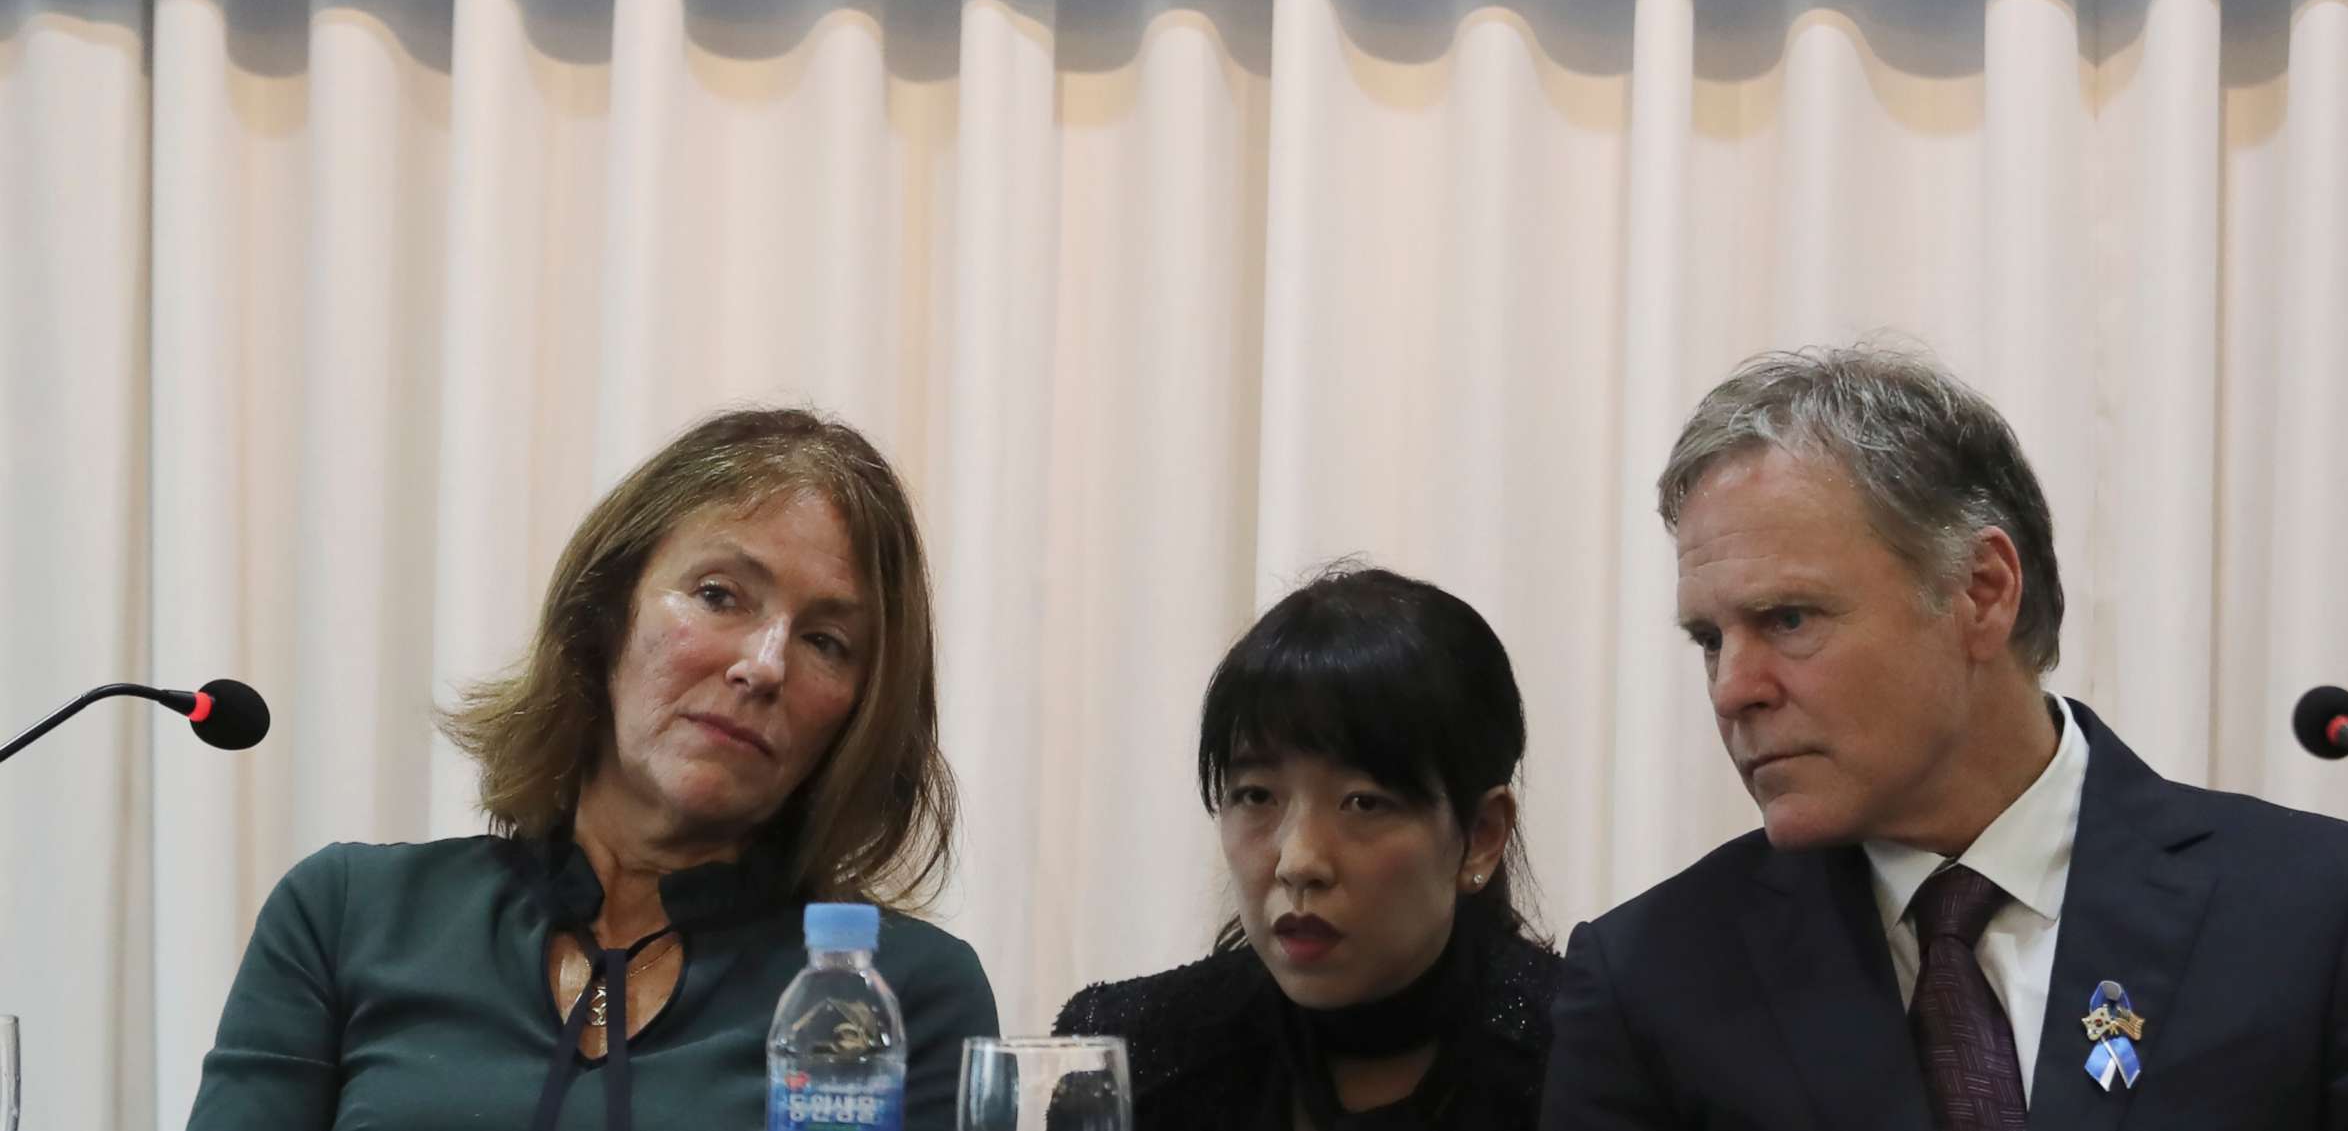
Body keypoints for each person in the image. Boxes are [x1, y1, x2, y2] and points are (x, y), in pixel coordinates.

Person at [1545, 343, 2348, 1131]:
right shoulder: (1652, 979)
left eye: (1790, 619)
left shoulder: (2327, 918)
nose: (1734, 687)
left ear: (1981, 592)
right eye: (1709, 638)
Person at [186, 407, 998, 1131]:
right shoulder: (347, 917)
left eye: (827, 641)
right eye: (720, 594)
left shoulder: (894, 994)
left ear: (861, 711)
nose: (765, 663)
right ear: (604, 614)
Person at [1055, 564, 1560, 1129]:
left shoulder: (1587, 1061)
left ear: (1482, 835)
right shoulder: (1128, 1060)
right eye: (1255, 795)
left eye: (1364, 802)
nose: (1298, 863)